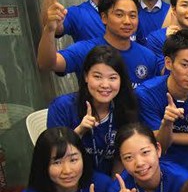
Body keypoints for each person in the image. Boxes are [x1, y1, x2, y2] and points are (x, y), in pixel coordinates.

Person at [47, 45, 139, 175]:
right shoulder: (62, 106)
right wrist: (79, 132)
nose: (105, 85)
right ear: (86, 76)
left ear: (121, 80)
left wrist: (114, 186)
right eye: (97, 77)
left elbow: (122, 158)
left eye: (112, 78)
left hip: (108, 180)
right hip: (70, 178)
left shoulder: (126, 107)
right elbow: (52, 155)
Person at [38, 0, 159, 87]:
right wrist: (49, 29)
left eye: (132, 16)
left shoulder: (148, 56)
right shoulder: (86, 50)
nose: (127, 21)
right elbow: (47, 64)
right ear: (104, 18)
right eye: (119, 15)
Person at [136, 29, 188, 173]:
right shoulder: (146, 94)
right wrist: (167, 123)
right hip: (153, 160)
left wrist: (169, 134)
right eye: (185, 65)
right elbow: (159, 144)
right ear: (168, 63)